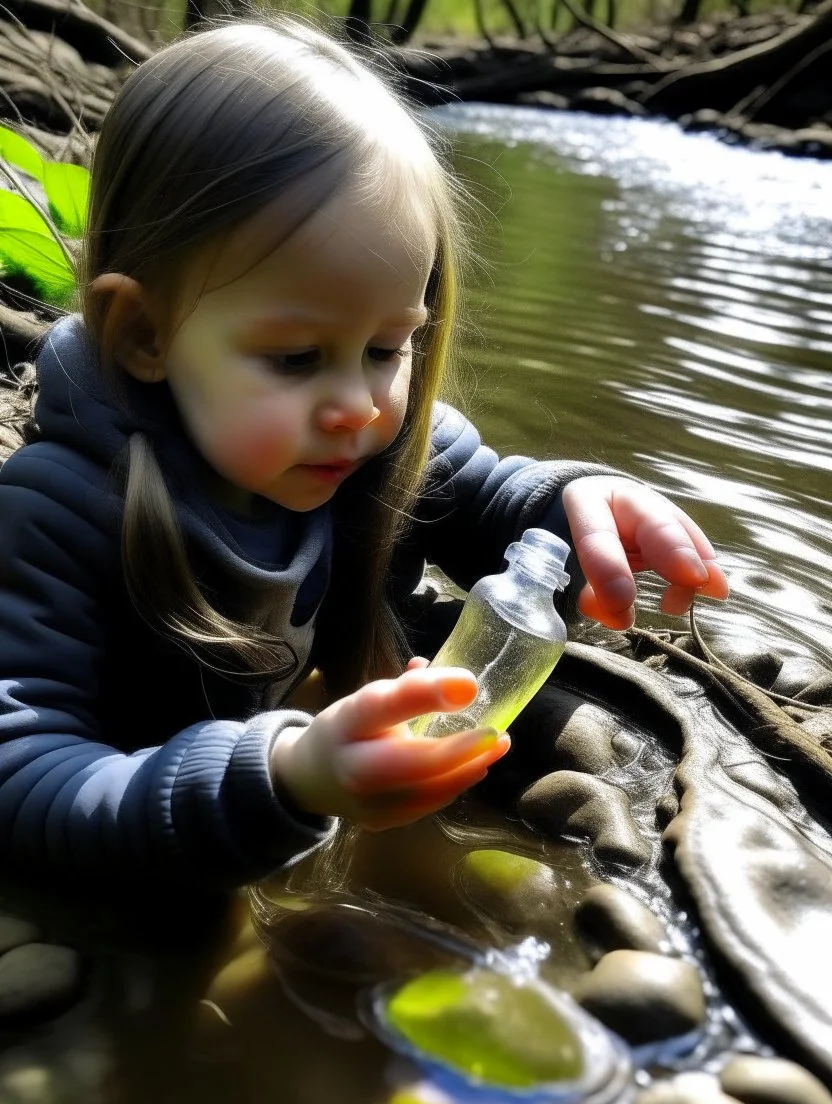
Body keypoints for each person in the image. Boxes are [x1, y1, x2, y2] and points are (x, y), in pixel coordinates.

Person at [0, 18, 728, 888]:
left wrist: (581, 506)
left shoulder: (376, 450)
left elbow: (500, 506)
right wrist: (280, 780)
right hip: (154, 840)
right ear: (146, 334)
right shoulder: (58, 513)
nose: (358, 406)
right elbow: (21, 778)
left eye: (387, 349)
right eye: (297, 358)